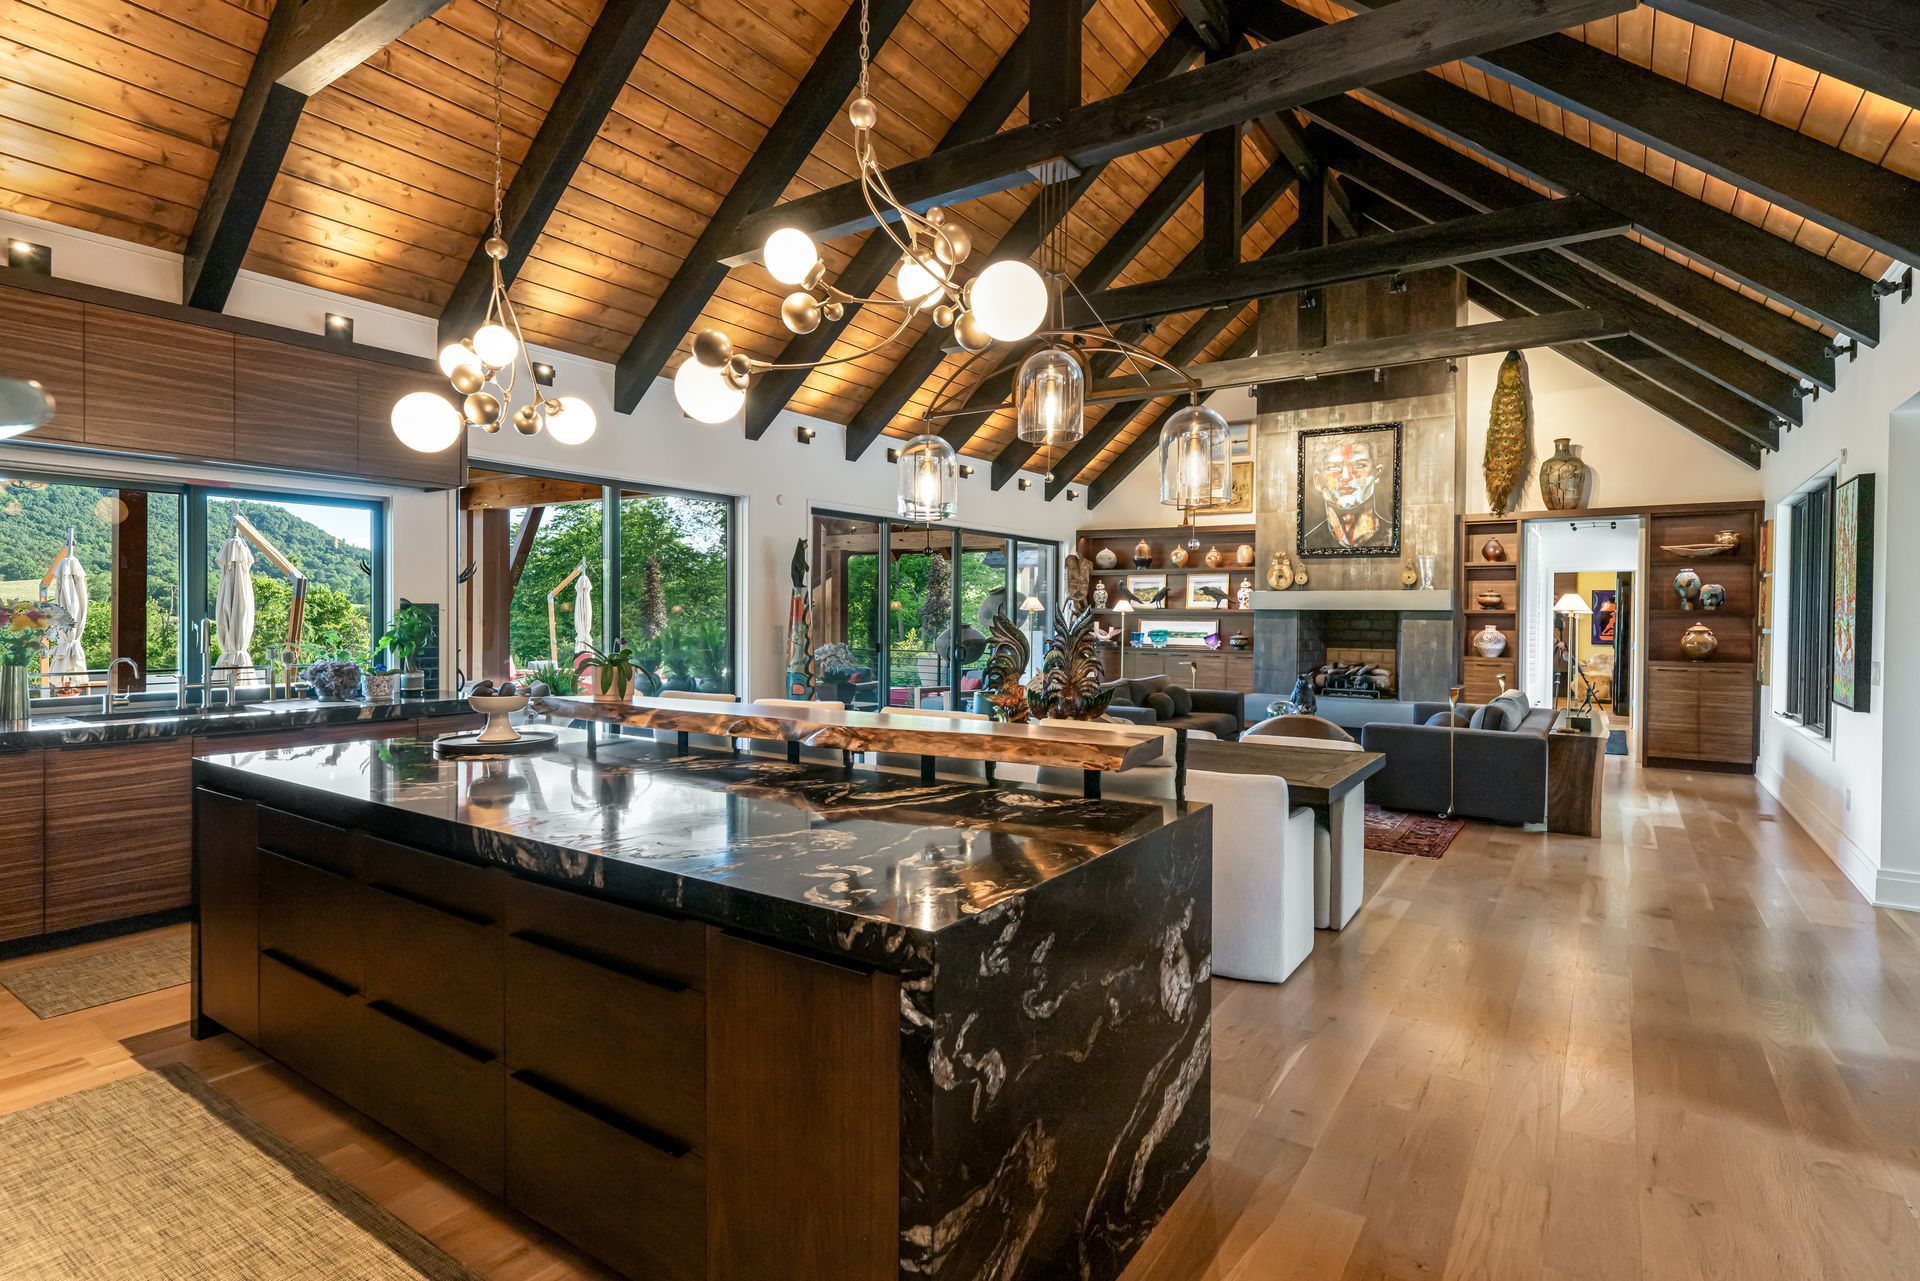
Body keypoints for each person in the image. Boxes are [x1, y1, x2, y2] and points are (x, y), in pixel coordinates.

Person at [1303, 437, 1388, 550]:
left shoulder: (1392, 537)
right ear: (1318, 481)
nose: (1346, 477)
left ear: (1376, 474)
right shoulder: (1308, 543)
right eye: (1333, 467)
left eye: (1359, 466)